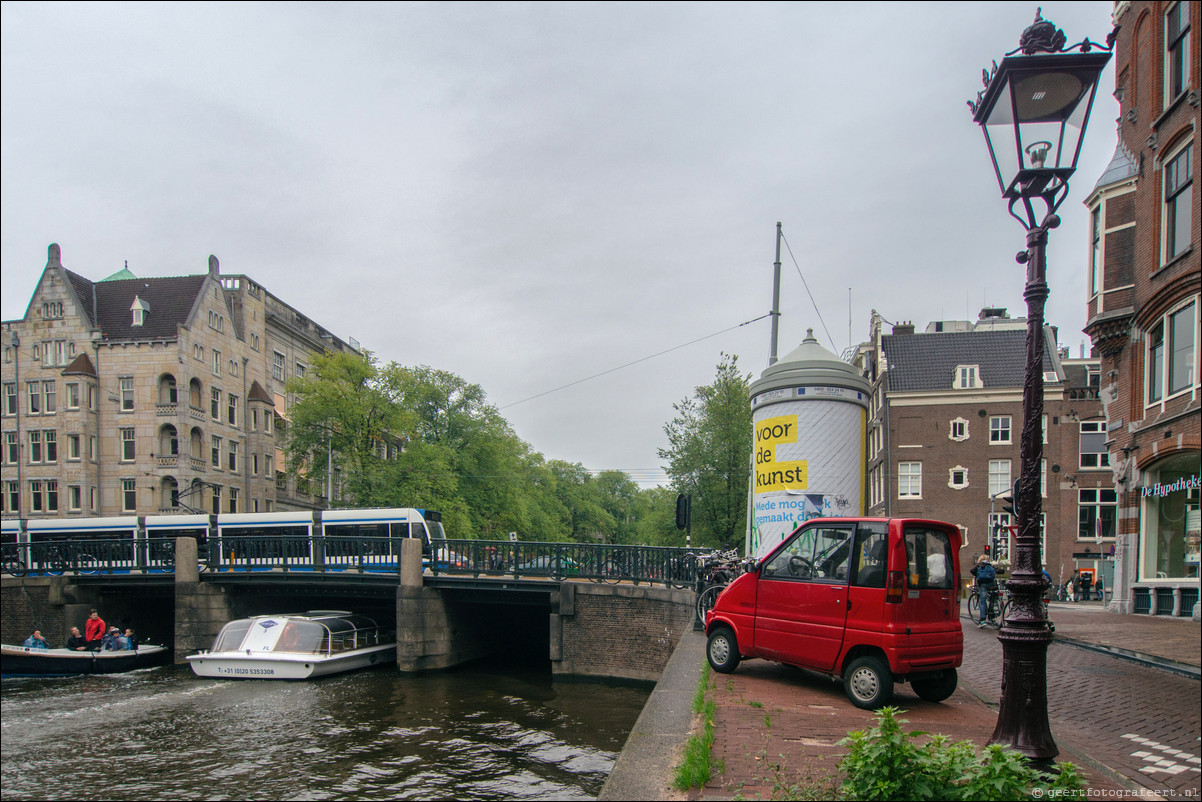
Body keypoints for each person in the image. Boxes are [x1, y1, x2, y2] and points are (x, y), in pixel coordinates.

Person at [970, 554, 997, 627]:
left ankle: (982, 620)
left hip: (983, 585)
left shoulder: (979, 565)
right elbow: (996, 571)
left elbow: (972, 570)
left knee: (982, 601)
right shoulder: (990, 565)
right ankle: (992, 616)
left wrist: (977, 574)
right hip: (991, 584)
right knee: (992, 599)